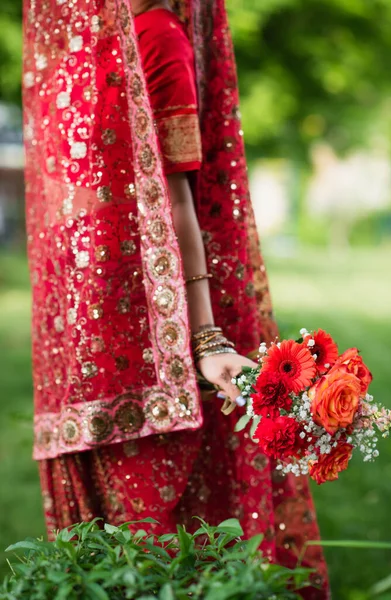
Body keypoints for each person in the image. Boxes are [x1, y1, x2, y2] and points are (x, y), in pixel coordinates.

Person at [23, 0, 329, 597]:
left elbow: (179, 200)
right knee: (101, 563)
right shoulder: (78, 42)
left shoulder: (155, 35)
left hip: (148, 341)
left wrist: (208, 338)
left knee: (157, 558)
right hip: (85, 331)